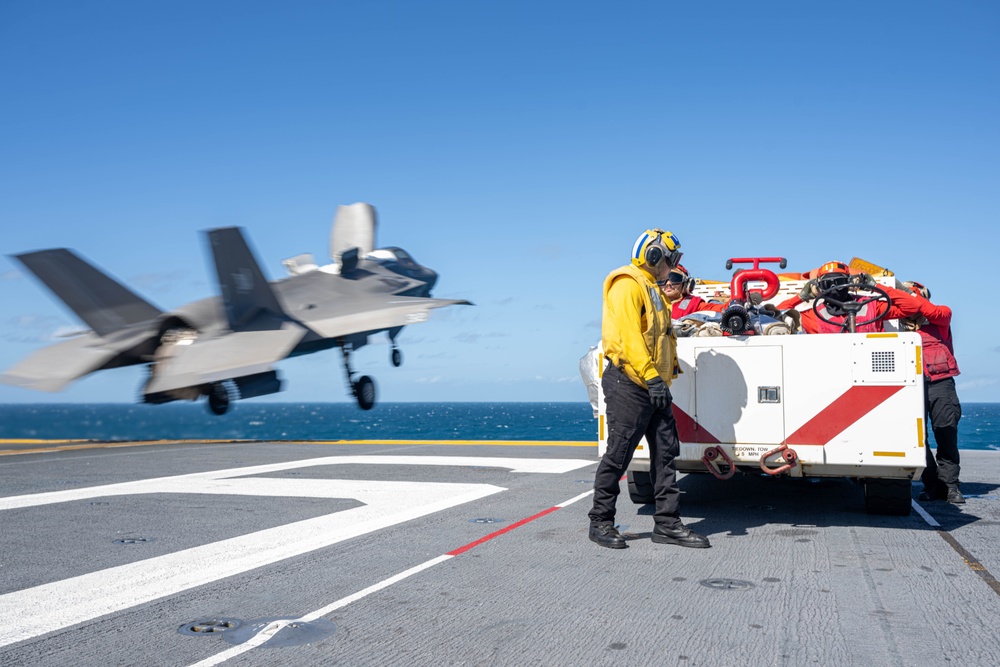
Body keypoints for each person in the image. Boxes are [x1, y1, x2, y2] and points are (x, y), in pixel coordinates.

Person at [589, 229, 711, 549]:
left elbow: (659, 338)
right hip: (630, 382)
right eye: (670, 259)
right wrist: (652, 377)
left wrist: (663, 377)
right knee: (619, 455)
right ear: (655, 256)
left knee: (665, 454)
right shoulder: (628, 284)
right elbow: (629, 336)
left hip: (654, 384)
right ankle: (600, 522)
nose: (671, 266)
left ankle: (667, 524)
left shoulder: (652, 289)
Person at [903, 281, 964, 504]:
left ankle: (950, 486)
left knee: (946, 432)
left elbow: (930, 310)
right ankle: (932, 484)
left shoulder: (940, 317)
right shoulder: (898, 324)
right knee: (918, 440)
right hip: (911, 387)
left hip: (941, 384)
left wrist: (909, 295)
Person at [777, 261, 922, 333]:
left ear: (849, 282)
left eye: (839, 282)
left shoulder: (872, 306)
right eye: (829, 284)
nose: (835, 288)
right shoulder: (813, 316)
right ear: (820, 287)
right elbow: (776, 316)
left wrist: (876, 286)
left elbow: (912, 306)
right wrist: (802, 297)